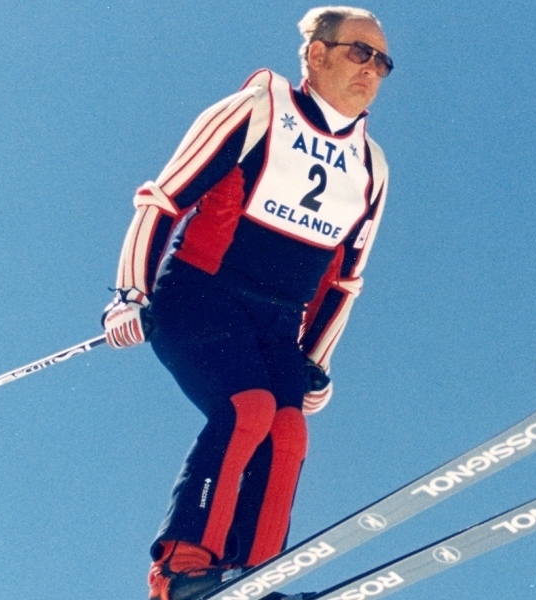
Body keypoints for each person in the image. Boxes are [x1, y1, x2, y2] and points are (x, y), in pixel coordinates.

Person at [102, 7, 392, 600]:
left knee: (288, 430)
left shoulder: (372, 166)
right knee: (248, 408)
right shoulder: (259, 109)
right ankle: (182, 570)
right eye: (360, 53)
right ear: (317, 55)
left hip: (279, 321)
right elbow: (162, 200)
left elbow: (344, 280)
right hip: (201, 294)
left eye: (384, 62)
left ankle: (255, 576)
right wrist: (131, 292)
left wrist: (317, 360)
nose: (374, 70)